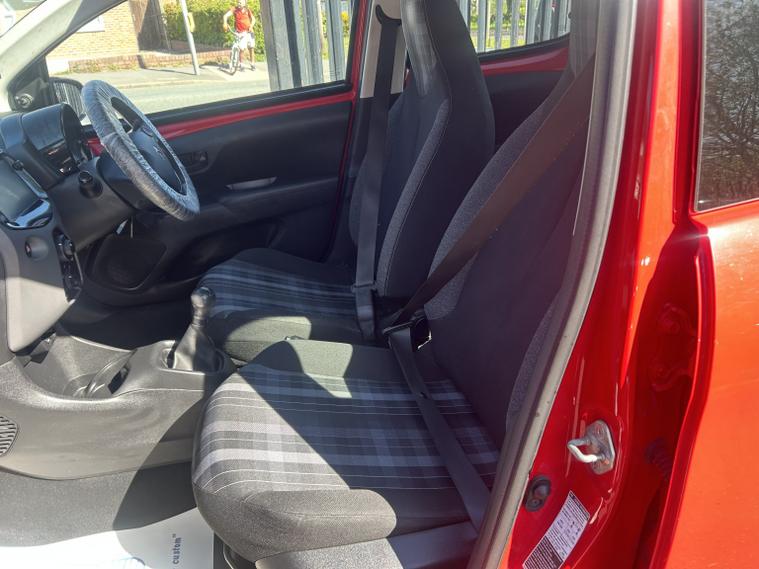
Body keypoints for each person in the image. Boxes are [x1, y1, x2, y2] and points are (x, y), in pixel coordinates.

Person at [223, 0, 256, 70]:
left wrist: (251, 26)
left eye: (240, 3)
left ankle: (252, 64)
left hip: (249, 31)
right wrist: (225, 23)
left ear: (244, 4)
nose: (239, 4)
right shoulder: (235, 9)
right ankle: (241, 64)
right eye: (238, 2)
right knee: (241, 48)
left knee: (251, 47)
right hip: (240, 32)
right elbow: (225, 16)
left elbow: (253, 19)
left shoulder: (247, 10)